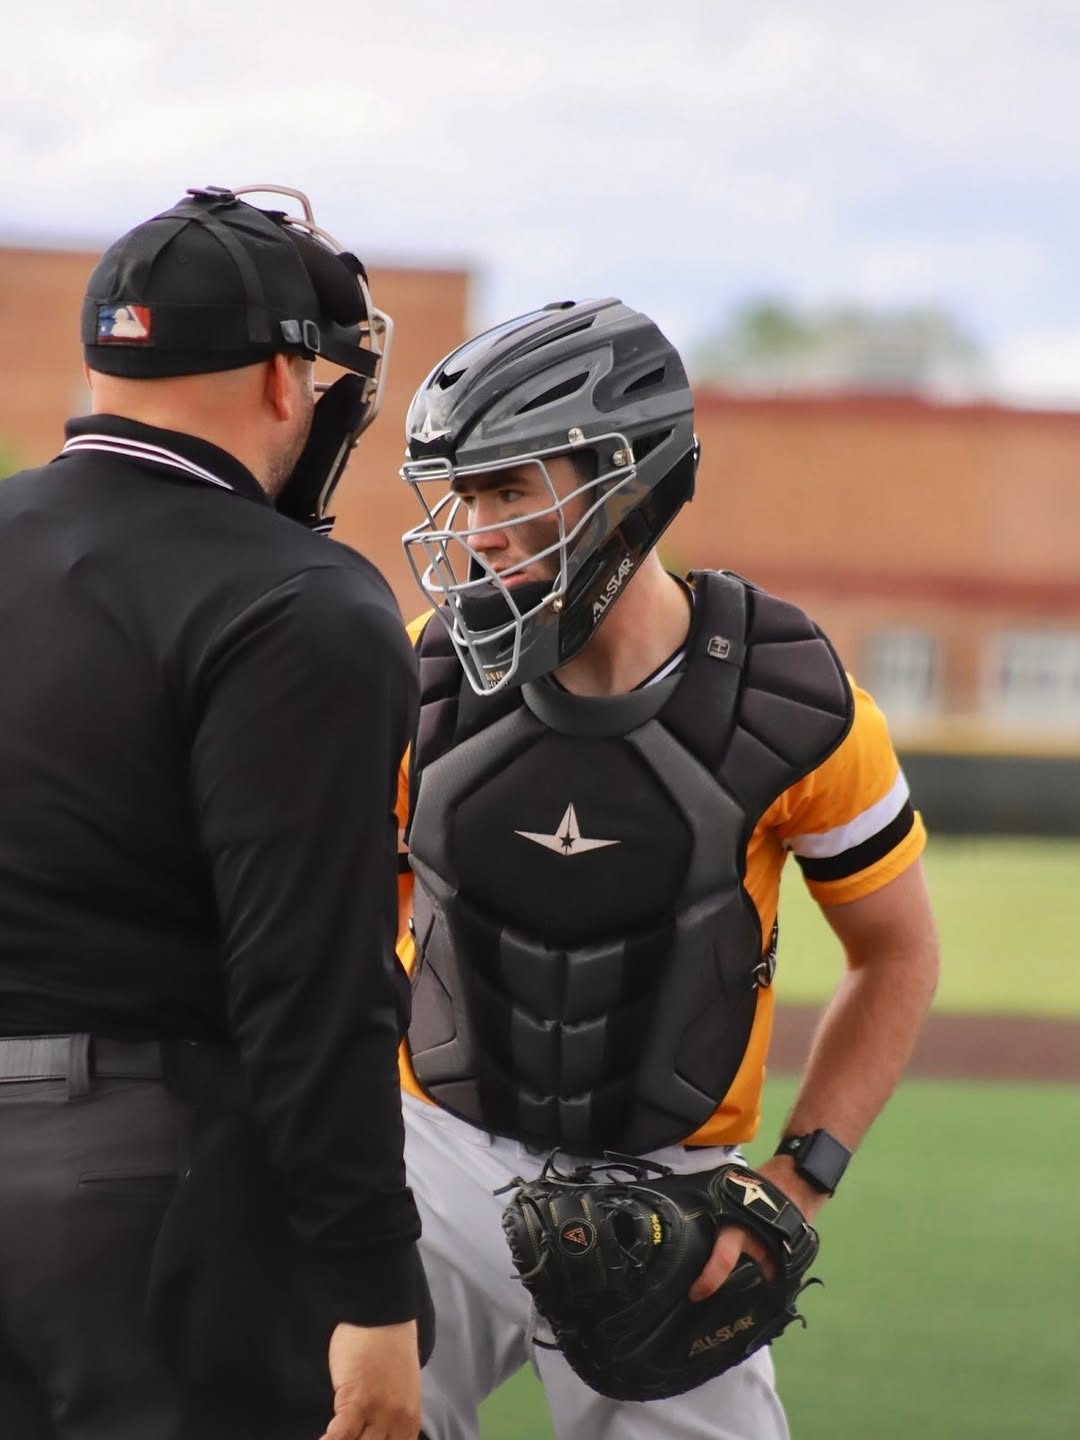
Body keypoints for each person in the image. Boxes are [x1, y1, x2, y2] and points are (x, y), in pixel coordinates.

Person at [394, 299, 940, 1440]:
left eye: (509, 490)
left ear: (624, 480)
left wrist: (797, 1182)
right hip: (429, 1165)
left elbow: (896, 954)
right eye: (465, 495)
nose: (478, 532)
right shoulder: (422, 680)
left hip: (672, 1198)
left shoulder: (793, 702)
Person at [0, 185, 431, 1440]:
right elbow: (311, 981)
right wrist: (371, 1282)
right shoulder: (298, 600)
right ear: (289, 379)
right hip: (148, 1190)